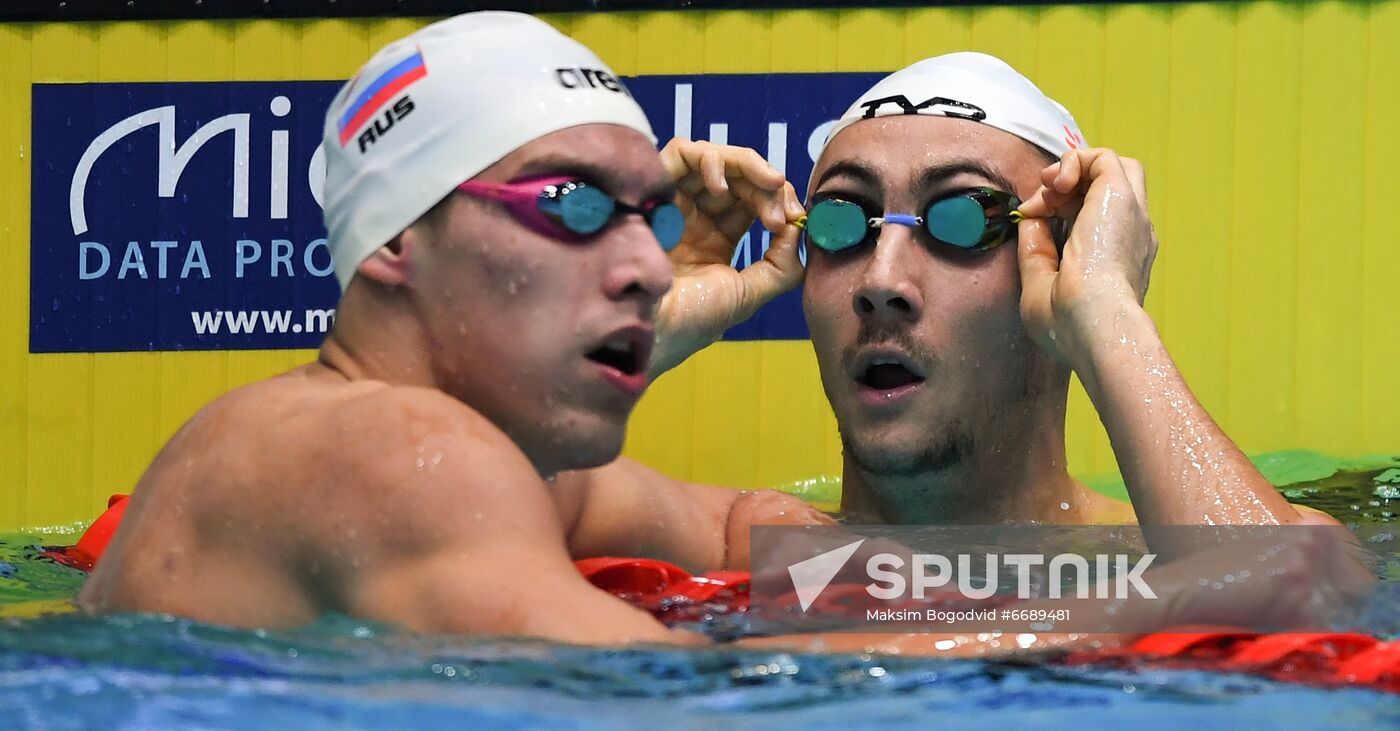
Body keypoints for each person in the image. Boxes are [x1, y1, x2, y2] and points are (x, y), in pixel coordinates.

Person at [78, 12, 823, 641]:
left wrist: (931, 584)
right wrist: (933, 632)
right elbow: (707, 704)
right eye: (569, 203)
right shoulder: (391, 452)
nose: (653, 270)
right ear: (396, 236)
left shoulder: (372, 440)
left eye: (652, 218)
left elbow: (737, 524)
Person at [788, 53, 1342, 529]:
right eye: (843, 222)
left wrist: (1104, 312)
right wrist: (697, 307)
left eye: (961, 219)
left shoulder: (1155, 555)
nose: (881, 281)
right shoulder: (738, 547)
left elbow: (1281, 603)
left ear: (1058, 256)